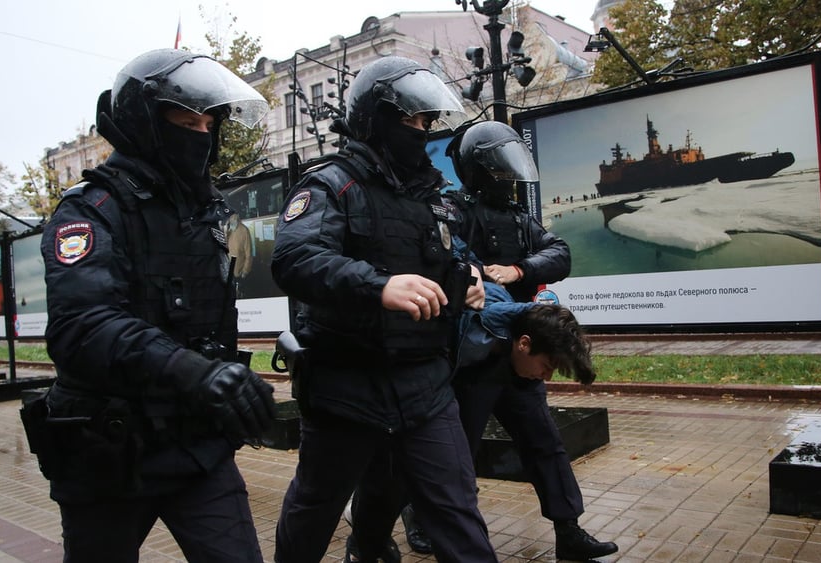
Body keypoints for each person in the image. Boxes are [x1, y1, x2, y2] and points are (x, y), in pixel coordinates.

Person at [25, 48, 276, 563]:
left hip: (195, 441)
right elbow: (82, 327)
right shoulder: (92, 209)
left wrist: (223, 379)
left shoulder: (204, 210)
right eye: (187, 120)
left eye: (210, 122)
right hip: (109, 449)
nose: (201, 134)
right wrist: (194, 372)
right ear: (145, 122)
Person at [270, 55, 497, 563]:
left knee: (457, 511)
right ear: (375, 118)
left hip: (424, 384)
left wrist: (469, 278)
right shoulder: (331, 184)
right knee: (315, 508)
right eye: (409, 120)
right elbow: (295, 258)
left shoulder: (432, 195)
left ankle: (368, 548)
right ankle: (364, 548)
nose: (420, 131)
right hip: (345, 385)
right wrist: (378, 286)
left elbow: (450, 254)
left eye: (425, 122)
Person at [398, 120, 618, 561]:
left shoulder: (520, 218)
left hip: (522, 349)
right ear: (480, 168)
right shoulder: (452, 209)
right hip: (474, 352)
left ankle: (568, 530)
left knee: (544, 441)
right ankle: (422, 517)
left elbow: (560, 253)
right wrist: (474, 271)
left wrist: (518, 271)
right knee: (456, 448)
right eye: (499, 167)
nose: (508, 175)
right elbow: (445, 250)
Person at [225, 212, 253, 297]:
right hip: (227, 271)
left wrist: (245, 271)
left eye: (233, 217)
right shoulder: (227, 230)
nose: (231, 219)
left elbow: (248, 253)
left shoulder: (244, 230)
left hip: (239, 272)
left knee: (240, 294)